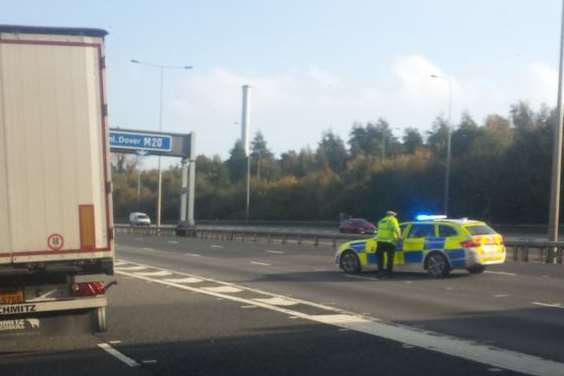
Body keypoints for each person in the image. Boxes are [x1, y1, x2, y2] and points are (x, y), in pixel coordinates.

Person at [376, 210, 401, 277]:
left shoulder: (381, 220)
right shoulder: (392, 220)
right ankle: (389, 273)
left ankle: (380, 273)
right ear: (392, 215)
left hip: (380, 242)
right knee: (390, 258)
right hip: (390, 242)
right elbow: (396, 229)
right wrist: (399, 237)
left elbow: (379, 231)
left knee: (380, 258)